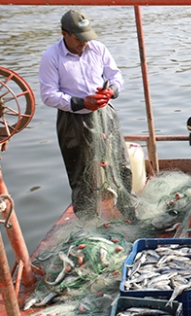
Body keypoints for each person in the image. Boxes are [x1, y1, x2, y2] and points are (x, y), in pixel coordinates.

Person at [39, 9, 136, 221]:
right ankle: (87, 223)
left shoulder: (98, 49)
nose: (84, 43)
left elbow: (115, 76)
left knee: (121, 164)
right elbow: (48, 95)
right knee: (81, 173)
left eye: (87, 38)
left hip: (105, 113)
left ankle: (130, 211)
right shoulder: (51, 57)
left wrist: (111, 91)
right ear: (65, 34)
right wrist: (81, 102)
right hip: (73, 119)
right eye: (79, 39)